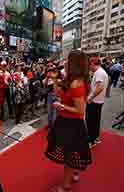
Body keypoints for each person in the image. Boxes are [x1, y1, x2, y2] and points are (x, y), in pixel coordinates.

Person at [45, 50, 92, 192]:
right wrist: (54, 80)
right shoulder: (71, 79)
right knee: (71, 152)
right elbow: (59, 93)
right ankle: (74, 173)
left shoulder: (77, 83)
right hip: (66, 122)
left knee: (68, 156)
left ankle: (65, 186)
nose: (65, 62)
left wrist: (62, 106)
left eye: (68, 60)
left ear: (74, 64)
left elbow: (81, 110)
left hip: (71, 124)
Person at [86, 57, 109, 148]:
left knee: (91, 121)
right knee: (95, 121)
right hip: (98, 101)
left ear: (92, 64)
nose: (89, 67)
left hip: (95, 101)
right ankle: (95, 138)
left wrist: (90, 97)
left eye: (89, 65)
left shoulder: (99, 72)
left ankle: (91, 140)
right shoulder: (101, 72)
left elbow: (100, 87)